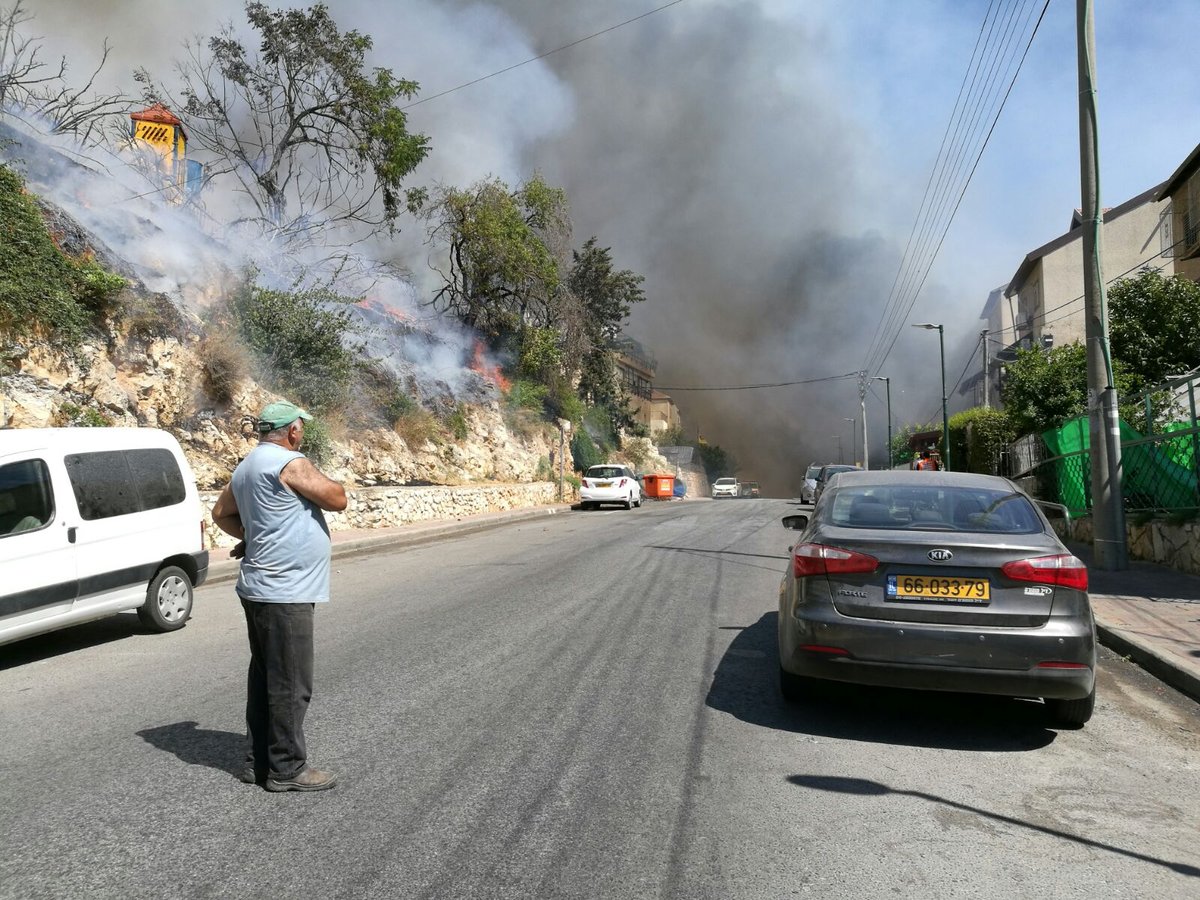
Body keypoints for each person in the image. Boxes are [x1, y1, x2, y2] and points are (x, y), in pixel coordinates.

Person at [211, 401, 348, 792]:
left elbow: (222, 513)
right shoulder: (291, 463)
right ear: (292, 431)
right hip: (284, 591)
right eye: (301, 427)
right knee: (290, 682)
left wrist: (254, 536)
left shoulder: (247, 465)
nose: (302, 432)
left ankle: (257, 763)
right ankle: (287, 769)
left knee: (266, 678)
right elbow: (337, 498)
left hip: (259, 588)